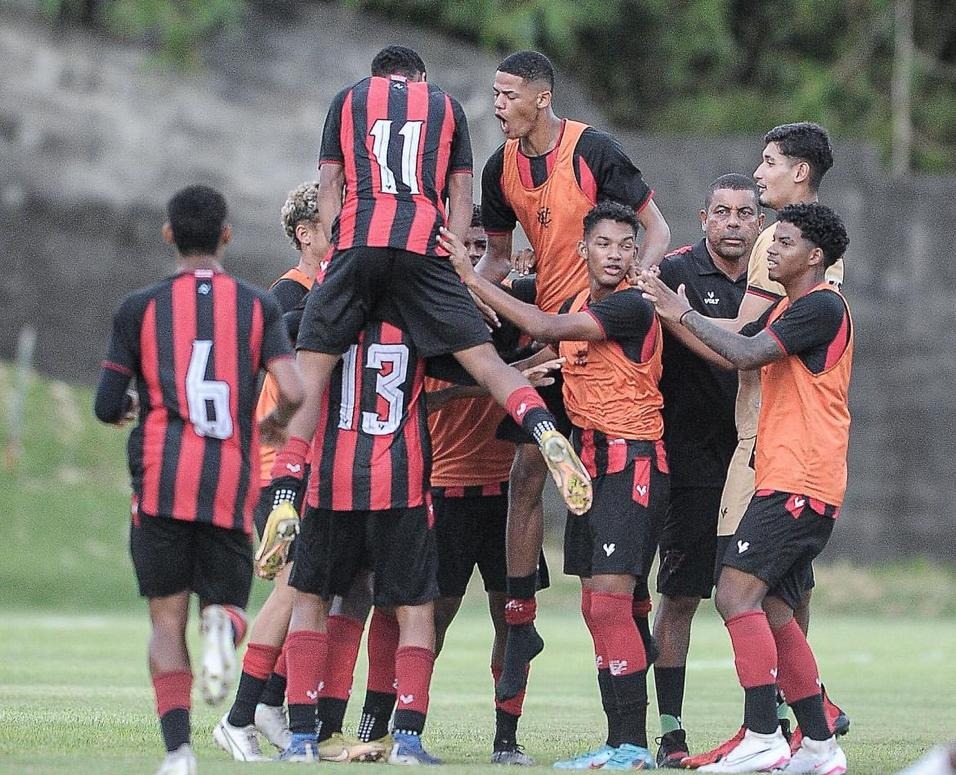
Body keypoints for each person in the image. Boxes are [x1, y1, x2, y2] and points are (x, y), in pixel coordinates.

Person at [298, 44, 591, 540]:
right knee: (487, 365)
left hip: (359, 244)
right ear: (421, 79)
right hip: (424, 247)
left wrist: (335, 249)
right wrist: (452, 265)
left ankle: (285, 483)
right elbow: (460, 196)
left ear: (376, 78)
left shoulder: (347, 100)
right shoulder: (446, 106)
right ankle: (543, 431)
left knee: (311, 369)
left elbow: (330, 183)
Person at [443, 201, 668, 770]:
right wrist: (511, 371)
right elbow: (541, 349)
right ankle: (620, 743)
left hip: (631, 463)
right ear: (582, 250)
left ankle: (633, 746)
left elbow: (542, 326)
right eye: (604, 244)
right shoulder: (576, 306)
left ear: (636, 253)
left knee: (613, 605)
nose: (616, 255)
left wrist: (470, 277)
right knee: (598, 606)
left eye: (626, 245)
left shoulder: (631, 309)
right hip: (591, 471)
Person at [478, 49, 670, 700]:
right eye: (495, 94)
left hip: (590, 334)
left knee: (571, 468)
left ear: (540, 95)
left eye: (507, 94)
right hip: (547, 330)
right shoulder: (498, 167)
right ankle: (520, 616)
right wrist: (461, 295)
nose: (497, 104)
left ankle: (626, 605)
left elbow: (655, 226)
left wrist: (641, 292)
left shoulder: (593, 151)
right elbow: (500, 261)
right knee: (526, 473)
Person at [93, 185, 304, 775]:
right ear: (227, 236)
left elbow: (107, 405)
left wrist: (133, 408)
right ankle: (222, 628)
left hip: (162, 478)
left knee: (165, 621)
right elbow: (293, 389)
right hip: (229, 480)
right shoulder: (259, 306)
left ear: (168, 235)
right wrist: (272, 424)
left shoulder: (139, 309)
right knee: (229, 603)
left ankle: (179, 754)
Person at [639, 202, 852, 774]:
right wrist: (672, 318)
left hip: (798, 481)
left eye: (783, 242)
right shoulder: (792, 308)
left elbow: (745, 352)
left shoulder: (822, 307)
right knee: (777, 609)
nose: (770, 249)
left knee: (734, 594)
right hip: (789, 479)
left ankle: (762, 733)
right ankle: (819, 746)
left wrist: (679, 311)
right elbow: (734, 354)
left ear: (813, 257)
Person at [651, 174, 763, 767]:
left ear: (759, 223)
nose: (734, 223)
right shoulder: (674, 272)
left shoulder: (774, 280)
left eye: (746, 213)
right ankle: (671, 728)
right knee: (681, 594)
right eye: (723, 212)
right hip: (690, 462)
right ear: (703, 218)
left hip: (755, 461)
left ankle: (772, 725)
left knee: (774, 593)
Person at [213, 181, 325, 760]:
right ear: (305, 233)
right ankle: (238, 716)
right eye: (333, 220)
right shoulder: (290, 295)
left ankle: (269, 702)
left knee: (315, 588)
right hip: (276, 466)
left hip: (312, 463)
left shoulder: (325, 289)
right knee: (295, 585)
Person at [427, 205, 541, 766]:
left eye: (482, 247)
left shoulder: (515, 313)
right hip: (445, 491)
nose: (473, 256)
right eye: (465, 246)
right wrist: (503, 383)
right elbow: (419, 399)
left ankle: (505, 739)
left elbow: (546, 349)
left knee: (513, 623)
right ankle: (407, 728)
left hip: (505, 498)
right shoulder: (430, 316)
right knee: (432, 620)